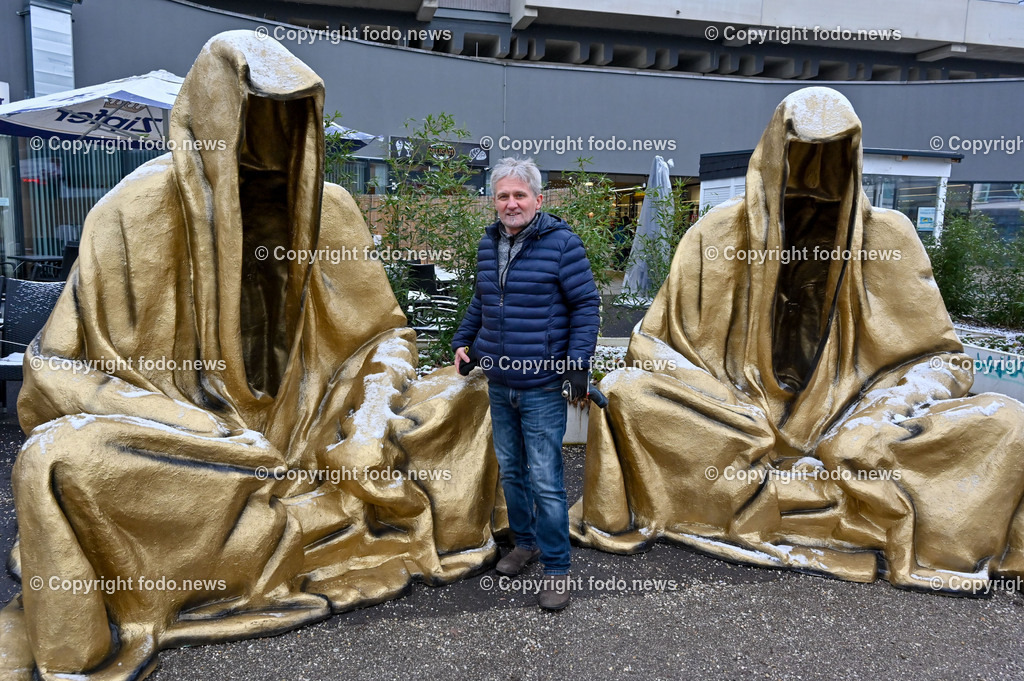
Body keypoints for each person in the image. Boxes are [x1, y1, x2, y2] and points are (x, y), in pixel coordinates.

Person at [0, 31, 502, 680]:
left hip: (320, 437)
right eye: (252, 126)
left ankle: (278, 525)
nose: (274, 152)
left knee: (466, 398)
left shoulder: (332, 213)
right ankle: (271, 529)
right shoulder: (130, 212)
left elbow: (387, 335)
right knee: (55, 459)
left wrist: (369, 426)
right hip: (200, 456)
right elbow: (52, 373)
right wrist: (192, 425)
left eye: (292, 128)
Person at [570, 87, 1024, 593]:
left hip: (848, 421)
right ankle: (808, 492)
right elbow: (649, 347)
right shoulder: (717, 233)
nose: (814, 175)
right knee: (628, 390)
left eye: (831, 156)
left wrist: (882, 413)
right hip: (736, 423)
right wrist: (723, 400)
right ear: (772, 155)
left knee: (1006, 421)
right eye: (800, 153)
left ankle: (781, 492)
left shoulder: (887, 237)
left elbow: (944, 359)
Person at [453, 157, 600, 610]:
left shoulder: (562, 244)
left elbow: (586, 305)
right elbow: (482, 301)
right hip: (500, 382)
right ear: (493, 201)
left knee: (547, 480)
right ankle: (526, 542)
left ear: (538, 199)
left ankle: (558, 568)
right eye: (503, 195)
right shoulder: (488, 243)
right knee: (512, 472)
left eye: (519, 195)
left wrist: (578, 364)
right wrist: (463, 341)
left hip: (541, 386)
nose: (511, 203)